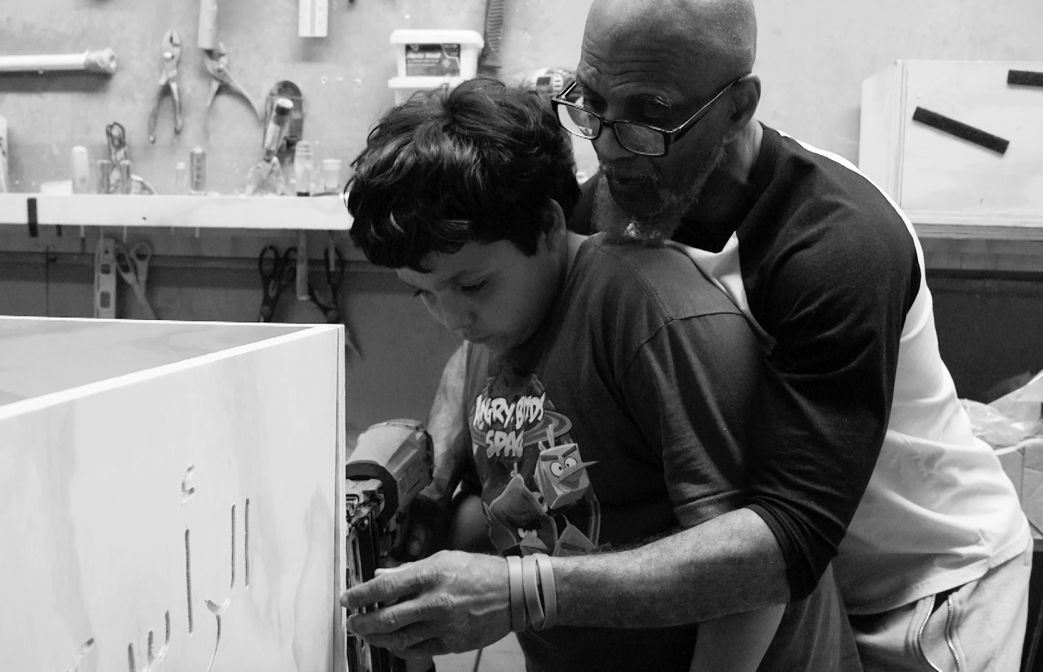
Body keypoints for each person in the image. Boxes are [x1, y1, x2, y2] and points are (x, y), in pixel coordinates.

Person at [344, 1, 1034, 671]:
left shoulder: (838, 249)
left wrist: (524, 591)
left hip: (915, 585)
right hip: (768, 587)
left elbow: (785, 539)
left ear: (739, 105)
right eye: (593, 103)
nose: (609, 145)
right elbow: (492, 323)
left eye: (650, 116)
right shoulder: (609, 199)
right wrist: (436, 477)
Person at [342, 77, 860, 671]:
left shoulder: (651, 316)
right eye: (422, 295)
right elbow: (544, 510)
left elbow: (748, 577)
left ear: (546, 225)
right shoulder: (502, 325)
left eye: (471, 285)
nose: (452, 318)